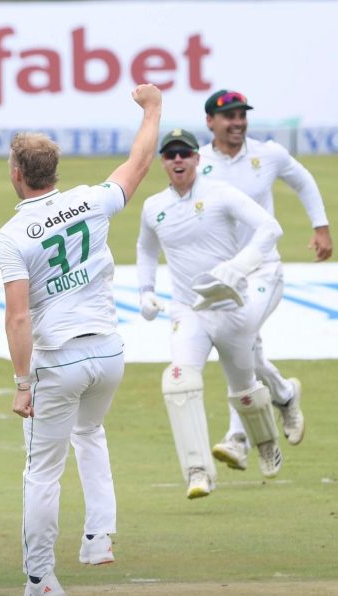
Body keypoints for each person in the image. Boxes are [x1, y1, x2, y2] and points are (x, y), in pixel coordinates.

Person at [0, 84, 162, 596]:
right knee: (90, 434)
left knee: (42, 472)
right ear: (54, 172)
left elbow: (18, 319)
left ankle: (40, 578)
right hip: (109, 353)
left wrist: (23, 384)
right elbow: (139, 160)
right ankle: (98, 537)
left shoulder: (12, 236)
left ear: (18, 174)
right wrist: (154, 108)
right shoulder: (91, 201)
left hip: (58, 361)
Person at [136, 128, 284, 499]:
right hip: (189, 310)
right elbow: (145, 249)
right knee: (180, 383)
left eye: (184, 154)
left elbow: (270, 227)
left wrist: (239, 266)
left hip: (231, 307)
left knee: (244, 390)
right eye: (170, 156)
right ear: (163, 163)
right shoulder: (154, 207)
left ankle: (265, 441)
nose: (178, 161)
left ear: (197, 159)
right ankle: (198, 470)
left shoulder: (221, 194)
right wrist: (146, 291)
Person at [198, 89, 333, 472]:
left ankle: (237, 437)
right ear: (211, 122)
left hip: (263, 271)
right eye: (229, 117)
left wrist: (320, 227)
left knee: (236, 340)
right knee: (245, 349)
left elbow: (303, 181)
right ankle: (284, 394)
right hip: (224, 277)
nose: (238, 123)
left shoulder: (267, 154)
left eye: (242, 116)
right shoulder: (198, 163)